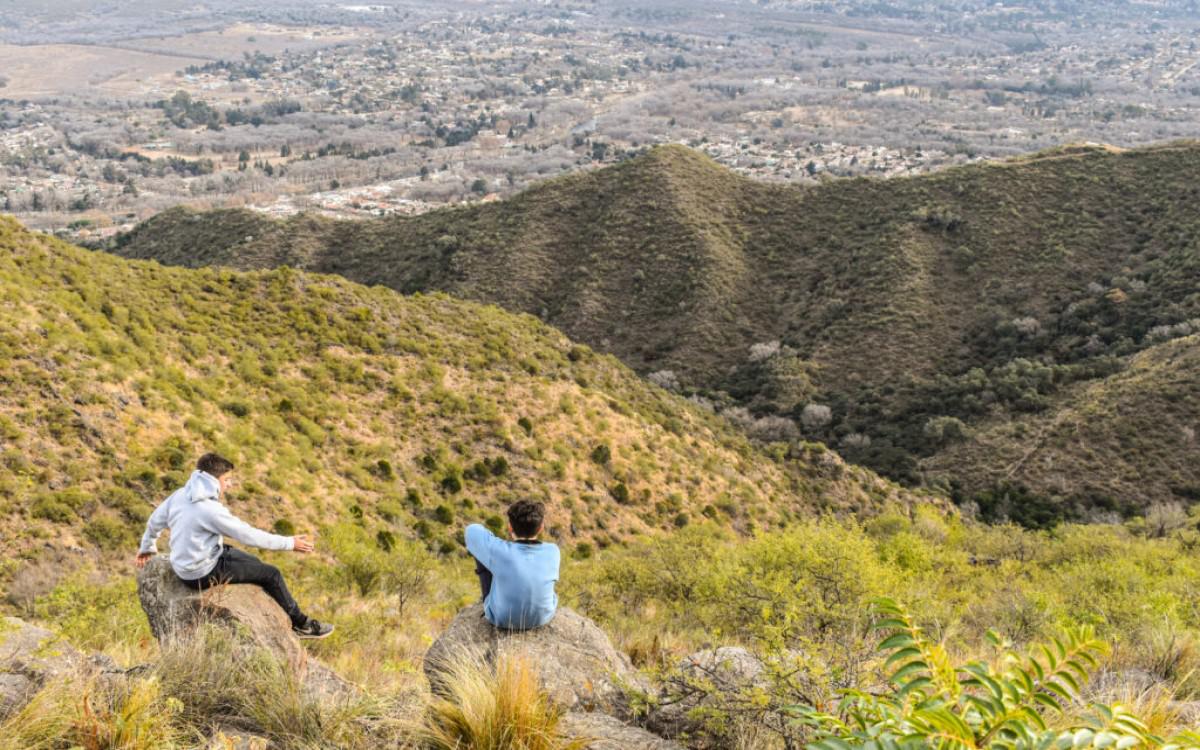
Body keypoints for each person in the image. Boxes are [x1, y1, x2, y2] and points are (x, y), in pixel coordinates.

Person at [135, 452, 334, 639]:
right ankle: (302, 624)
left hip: (190, 563)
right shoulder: (210, 510)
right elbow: (248, 536)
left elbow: (155, 521)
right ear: (213, 481)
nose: (230, 485)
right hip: (201, 573)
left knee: (253, 562)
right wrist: (290, 543)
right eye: (227, 480)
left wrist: (147, 547)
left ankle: (272, 601)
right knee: (272, 574)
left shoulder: (180, 495)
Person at [465, 500, 560, 631]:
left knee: (483, 551)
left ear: (510, 527)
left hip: (501, 619)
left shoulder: (499, 550)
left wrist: (493, 540)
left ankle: (492, 602)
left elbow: (472, 529)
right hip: (542, 617)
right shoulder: (553, 551)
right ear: (541, 528)